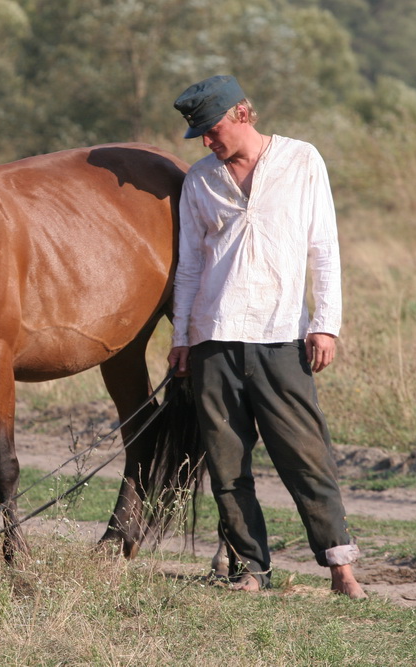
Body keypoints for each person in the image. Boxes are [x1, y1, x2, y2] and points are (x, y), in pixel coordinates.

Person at [167, 75, 366, 598]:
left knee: (307, 456)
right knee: (226, 465)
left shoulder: (302, 161)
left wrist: (326, 323)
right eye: (200, 136)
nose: (207, 142)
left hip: (282, 336)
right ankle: (253, 570)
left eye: (211, 131)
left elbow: (324, 246)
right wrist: (183, 338)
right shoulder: (199, 181)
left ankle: (341, 568)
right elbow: (189, 267)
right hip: (214, 339)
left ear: (242, 114)